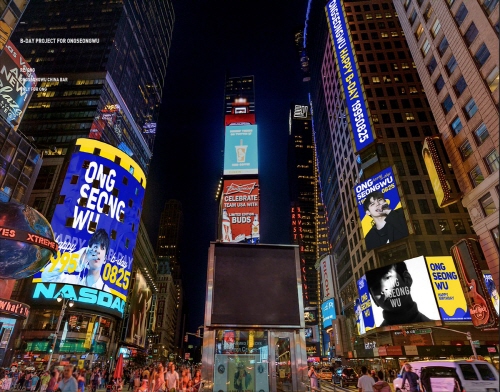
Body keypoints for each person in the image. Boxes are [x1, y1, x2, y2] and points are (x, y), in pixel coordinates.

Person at [41, 229, 111, 291]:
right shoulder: (73, 282)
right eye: (95, 246)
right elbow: (47, 275)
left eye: (102, 248)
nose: (97, 251)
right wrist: (81, 259)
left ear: (105, 259)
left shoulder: (106, 291)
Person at [366, 261, 432, 326]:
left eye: (388, 278)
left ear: (407, 279)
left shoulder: (438, 329)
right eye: (376, 287)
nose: (383, 289)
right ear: (374, 299)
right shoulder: (377, 336)